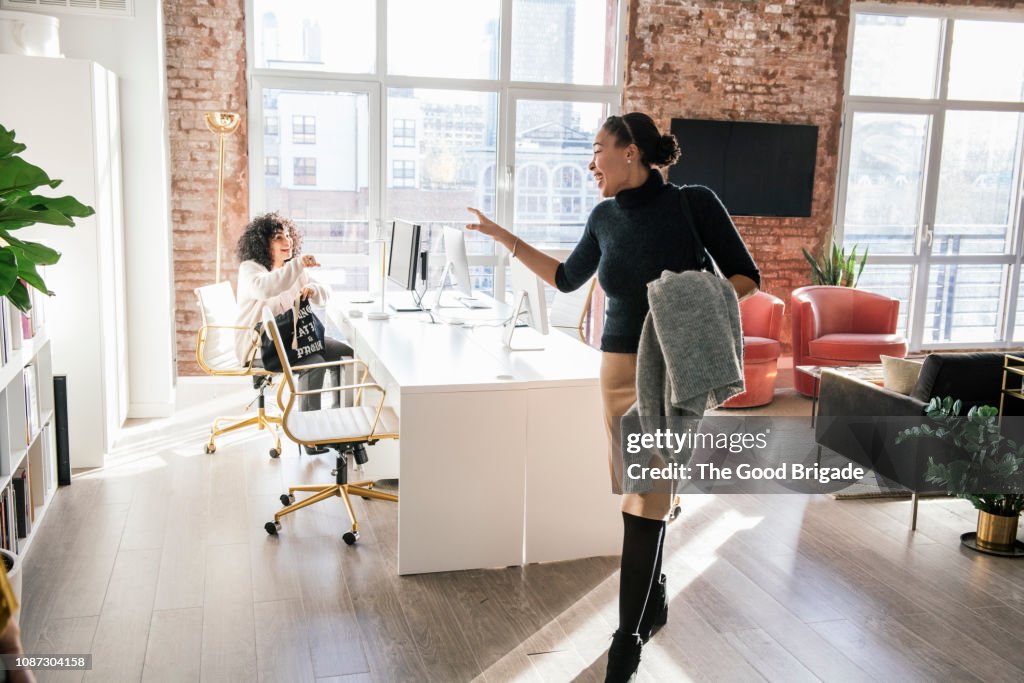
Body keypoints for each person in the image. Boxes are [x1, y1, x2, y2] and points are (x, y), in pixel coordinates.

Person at [466, 112, 760, 682]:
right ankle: (653, 597)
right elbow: (565, 278)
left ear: (631, 151)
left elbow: (746, 278)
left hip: (672, 370)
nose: (590, 162)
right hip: (616, 372)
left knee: (644, 499)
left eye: (598, 149)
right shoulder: (603, 217)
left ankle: (625, 641)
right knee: (639, 491)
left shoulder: (693, 204)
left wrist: (685, 306)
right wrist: (505, 239)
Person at [234, 213, 353, 450]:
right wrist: (298, 266)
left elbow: (325, 292)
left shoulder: (292, 269)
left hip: (293, 340)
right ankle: (309, 435)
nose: (286, 241)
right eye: (278, 237)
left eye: (288, 236)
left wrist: (312, 289)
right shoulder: (250, 269)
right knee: (314, 361)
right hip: (260, 346)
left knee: (345, 354)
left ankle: (339, 421)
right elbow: (265, 288)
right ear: (262, 243)